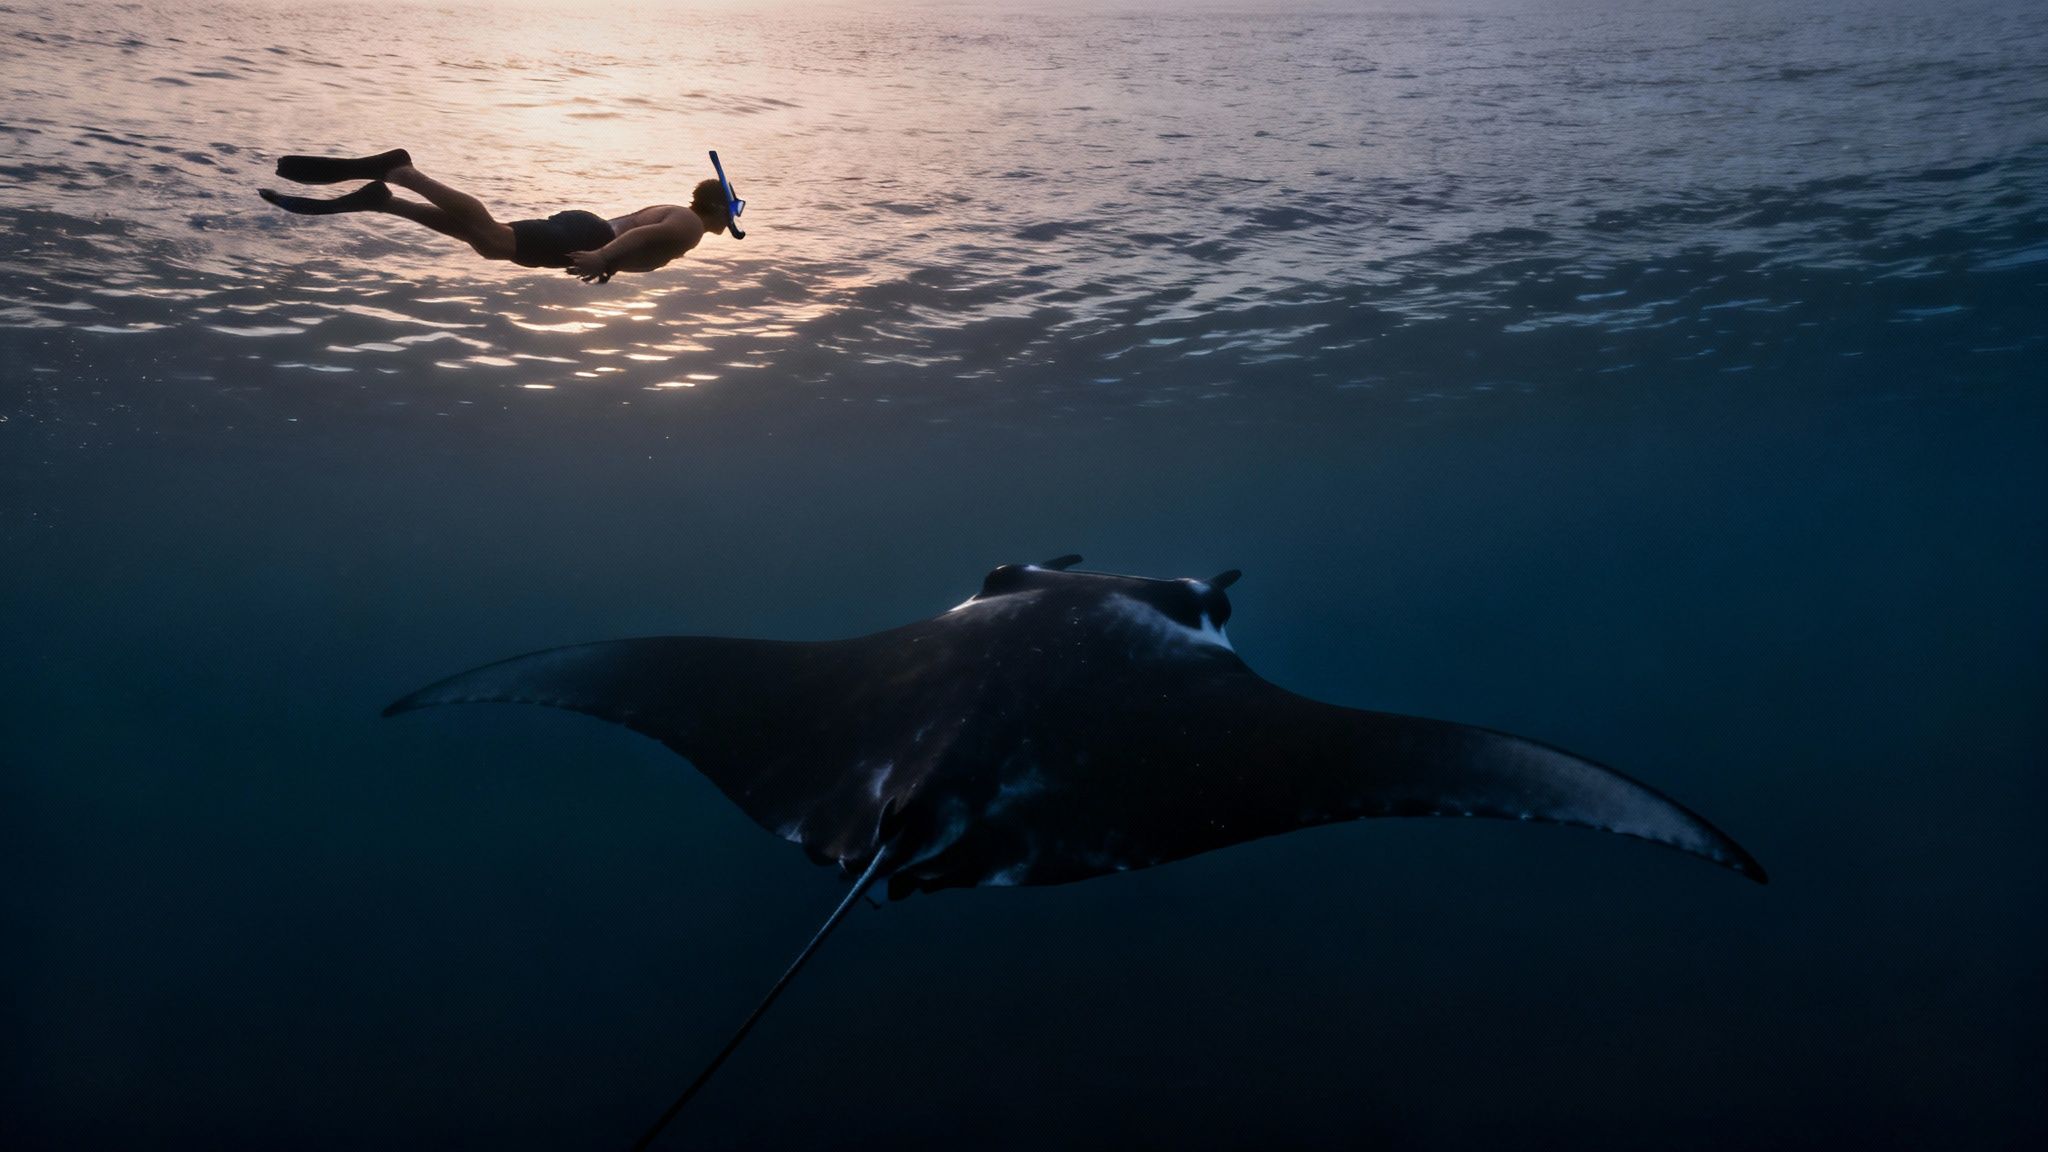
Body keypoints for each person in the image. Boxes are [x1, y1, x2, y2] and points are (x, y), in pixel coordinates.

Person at [258, 149, 732, 283]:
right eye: (734, 207)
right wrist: (604, 256)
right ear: (715, 206)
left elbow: (640, 238)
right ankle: (404, 174)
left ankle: (386, 200)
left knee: (487, 243)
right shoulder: (690, 225)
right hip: (590, 234)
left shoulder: (680, 215)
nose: (733, 218)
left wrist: (607, 261)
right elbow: (643, 235)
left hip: (585, 231)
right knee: (494, 237)